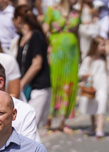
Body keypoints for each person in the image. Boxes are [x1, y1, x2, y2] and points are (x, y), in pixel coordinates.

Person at [44, 0, 80, 132]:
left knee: (68, 85)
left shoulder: (76, 13)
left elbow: (77, 34)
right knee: (54, 84)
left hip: (71, 55)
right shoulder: (51, 10)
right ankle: (48, 117)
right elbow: (44, 31)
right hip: (56, 52)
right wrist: (47, 48)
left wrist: (80, 53)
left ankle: (62, 120)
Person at [14, 7, 52, 130]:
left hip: (38, 88)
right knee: (24, 128)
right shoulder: (21, 38)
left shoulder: (36, 35)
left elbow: (37, 64)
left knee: (29, 127)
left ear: (18, 19)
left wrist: (20, 84)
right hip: (26, 89)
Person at [80, 37, 109, 138]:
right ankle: (93, 125)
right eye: (102, 45)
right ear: (95, 46)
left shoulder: (106, 60)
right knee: (92, 105)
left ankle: (99, 128)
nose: (104, 47)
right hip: (92, 86)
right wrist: (88, 75)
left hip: (102, 85)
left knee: (102, 104)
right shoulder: (88, 60)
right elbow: (82, 73)